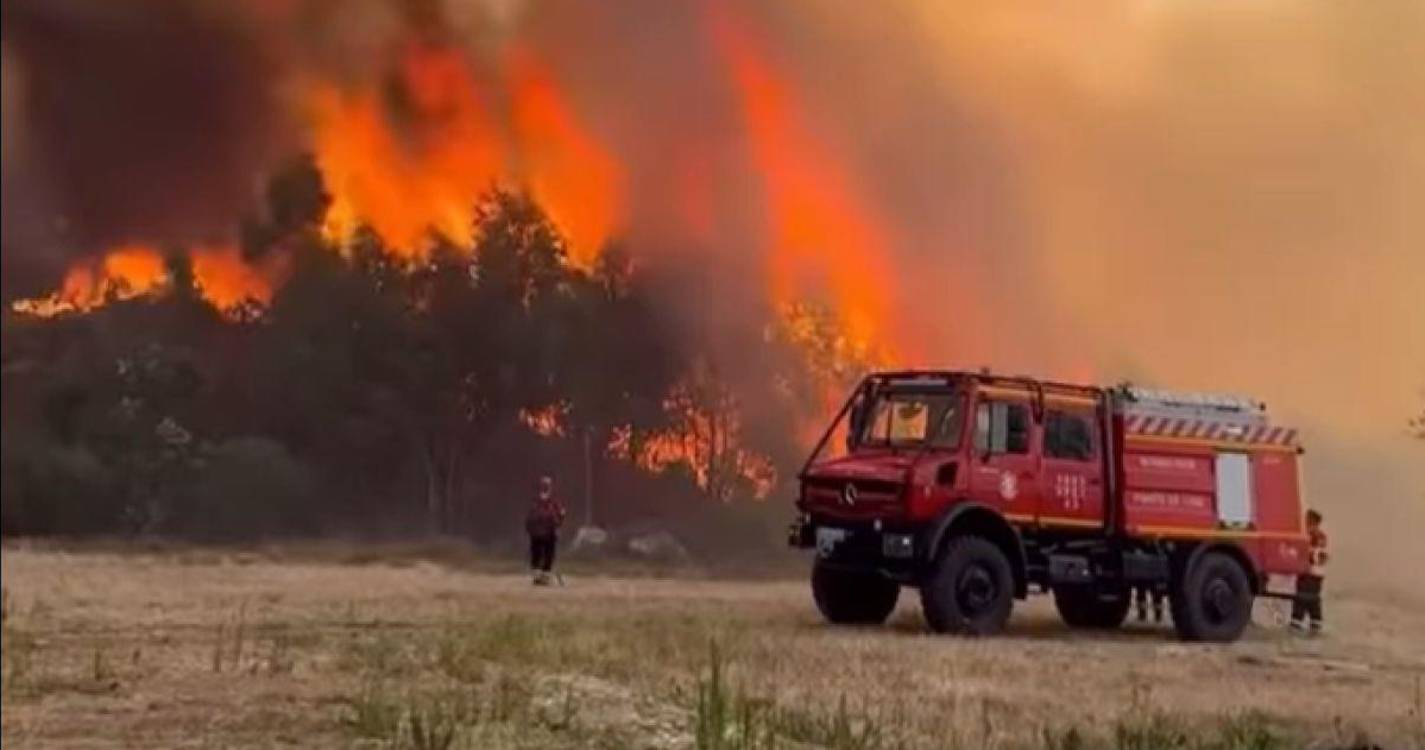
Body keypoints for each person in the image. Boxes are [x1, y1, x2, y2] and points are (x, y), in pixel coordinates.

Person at [1290, 509, 1328, 634]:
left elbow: (1314, 556)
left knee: (1302, 602)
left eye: (1307, 520)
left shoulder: (1312, 536)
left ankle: (1297, 627)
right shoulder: (1320, 537)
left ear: (1313, 521)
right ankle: (1314, 627)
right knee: (1312, 603)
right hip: (1313, 575)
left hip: (1309, 574)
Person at [525, 475, 566, 585]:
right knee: (544, 555)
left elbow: (529, 517)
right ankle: (541, 578)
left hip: (543, 533)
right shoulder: (551, 501)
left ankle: (541, 578)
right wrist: (559, 523)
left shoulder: (538, 501)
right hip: (544, 532)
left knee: (541, 555)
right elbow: (561, 514)